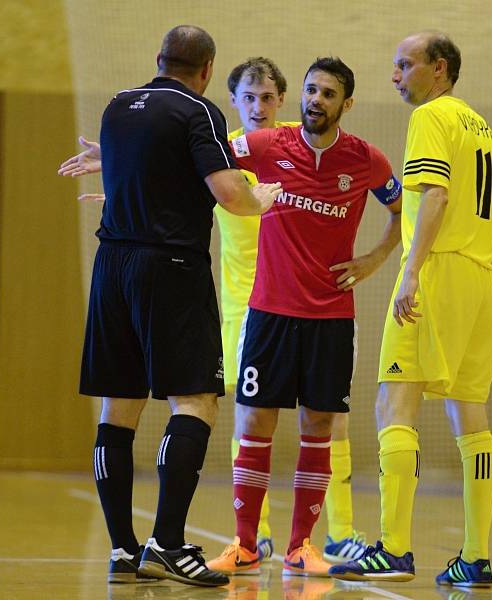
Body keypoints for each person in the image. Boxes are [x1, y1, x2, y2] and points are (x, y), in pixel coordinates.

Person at [60, 25, 281, 587]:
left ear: (158, 59)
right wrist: (259, 200)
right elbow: (228, 194)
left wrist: (109, 164)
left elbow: (147, 176)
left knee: (119, 407)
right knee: (197, 400)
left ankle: (122, 550)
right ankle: (168, 541)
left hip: (112, 270)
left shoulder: (117, 108)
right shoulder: (198, 111)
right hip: (173, 268)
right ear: (207, 69)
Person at [205, 57, 402, 578]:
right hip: (268, 313)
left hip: (332, 317)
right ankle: (246, 544)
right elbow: (201, 158)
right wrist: (121, 171)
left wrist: (375, 258)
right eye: (311, 90)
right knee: (254, 423)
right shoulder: (269, 145)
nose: (315, 100)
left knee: (320, 427)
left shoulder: (366, 160)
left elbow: (407, 208)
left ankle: (301, 546)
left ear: (347, 104)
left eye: (328, 94)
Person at [329, 31, 492, 588]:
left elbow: (435, 195)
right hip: (480, 279)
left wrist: (410, 273)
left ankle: (395, 549)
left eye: (405, 64)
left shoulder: (431, 117)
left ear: (439, 69)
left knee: (393, 402)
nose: (396, 75)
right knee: (470, 418)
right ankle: (475, 557)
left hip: (441, 272)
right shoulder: (483, 128)